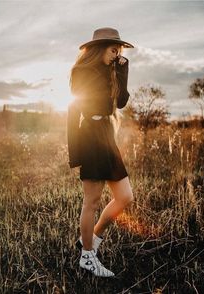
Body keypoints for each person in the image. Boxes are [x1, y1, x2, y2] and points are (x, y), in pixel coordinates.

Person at [67, 27, 134, 277]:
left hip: (107, 135)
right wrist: (75, 152)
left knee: (125, 197)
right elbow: (73, 111)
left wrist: (122, 70)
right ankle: (87, 257)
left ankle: (92, 239)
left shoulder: (112, 71)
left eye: (119, 50)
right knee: (91, 201)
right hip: (91, 136)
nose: (116, 54)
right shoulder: (82, 72)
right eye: (113, 49)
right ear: (99, 48)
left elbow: (121, 102)